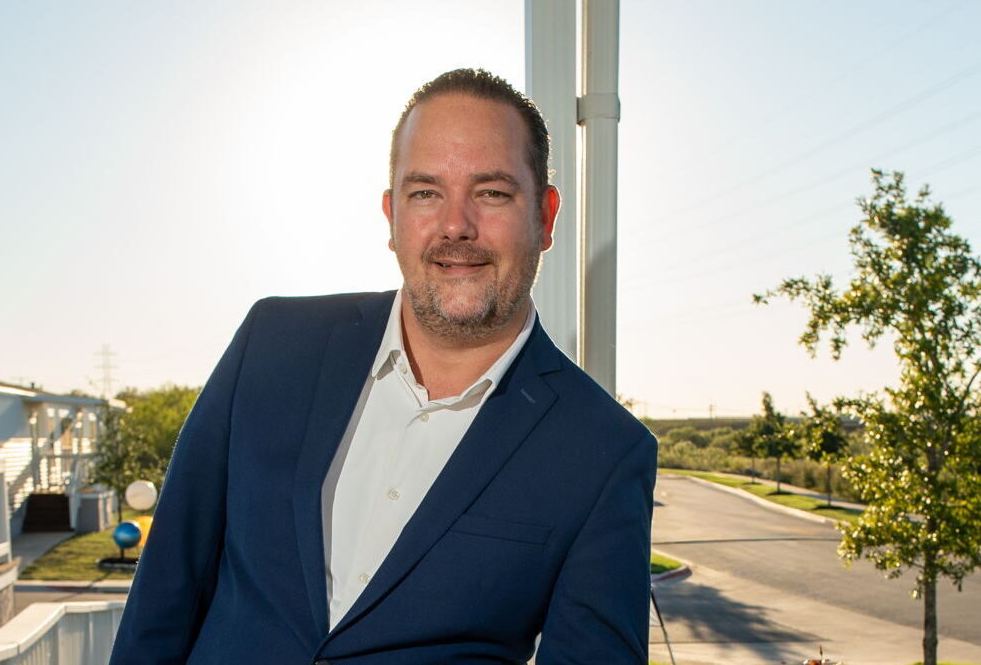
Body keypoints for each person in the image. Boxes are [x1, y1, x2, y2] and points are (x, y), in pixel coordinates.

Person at [110, 68, 658, 664]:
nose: (455, 226)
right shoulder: (272, 344)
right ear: (391, 215)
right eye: (426, 192)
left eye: (492, 193)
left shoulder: (603, 451)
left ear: (546, 217)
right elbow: (165, 593)